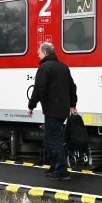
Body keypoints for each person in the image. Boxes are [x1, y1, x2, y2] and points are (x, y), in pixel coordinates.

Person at [27, 42, 78, 181]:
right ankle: (54, 166)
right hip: (62, 110)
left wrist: (31, 106)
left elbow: (38, 89)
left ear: (45, 52)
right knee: (50, 138)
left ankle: (61, 170)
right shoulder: (63, 67)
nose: (38, 54)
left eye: (39, 52)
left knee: (54, 139)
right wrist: (72, 104)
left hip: (52, 109)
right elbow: (72, 87)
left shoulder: (44, 68)